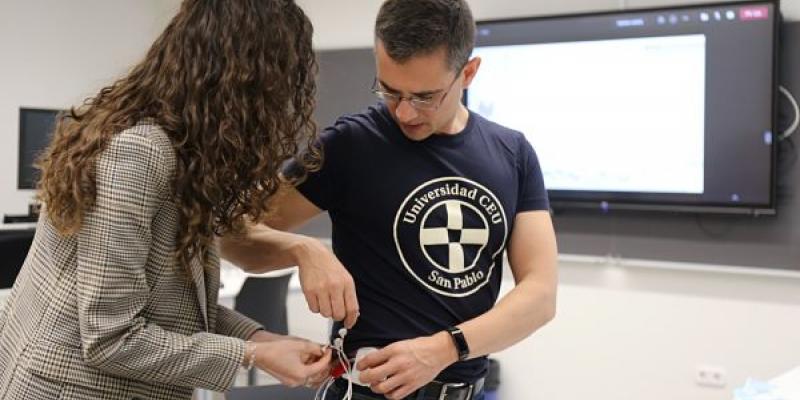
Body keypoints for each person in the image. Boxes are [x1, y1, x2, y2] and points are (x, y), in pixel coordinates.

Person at [221, 0, 558, 399]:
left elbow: (540, 295)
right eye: (390, 91)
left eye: (424, 96)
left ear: (468, 73)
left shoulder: (513, 154)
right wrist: (301, 249)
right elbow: (234, 235)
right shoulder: (349, 145)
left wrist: (443, 349)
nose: (403, 112)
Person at [0, 1, 332, 399]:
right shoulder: (138, 152)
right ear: (244, 81)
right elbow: (111, 337)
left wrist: (264, 338)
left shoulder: (184, 156)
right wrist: (253, 354)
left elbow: (177, 306)